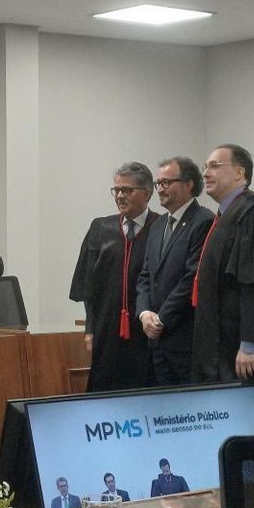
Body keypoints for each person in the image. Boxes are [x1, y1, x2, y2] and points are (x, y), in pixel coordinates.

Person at [190, 143, 254, 428]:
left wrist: (249, 344)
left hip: (242, 345)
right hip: (221, 338)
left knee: (249, 421)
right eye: (205, 167)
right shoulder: (226, 214)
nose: (206, 173)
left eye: (214, 166)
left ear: (239, 173)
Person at [70, 162, 158, 391]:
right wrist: (90, 329)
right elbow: (88, 285)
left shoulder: (161, 228)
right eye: (116, 190)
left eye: (127, 190)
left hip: (147, 331)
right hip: (106, 329)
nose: (119, 196)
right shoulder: (101, 228)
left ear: (147, 193)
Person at [136, 156, 214, 385]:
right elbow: (146, 275)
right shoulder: (158, 225)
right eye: (158, 183)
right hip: (157, 341)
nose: (160, 189)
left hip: (186, 340)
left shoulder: (203, 221)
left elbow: (192, 279)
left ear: (189, 184)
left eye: (166, 183)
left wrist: (161, 319)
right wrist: (144, 313)